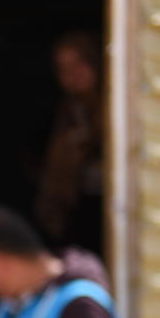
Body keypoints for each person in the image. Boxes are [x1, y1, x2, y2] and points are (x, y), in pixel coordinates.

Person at [35, 30, 104, 255]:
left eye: (78, 64)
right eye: (63, 69)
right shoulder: (67, 114)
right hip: (79, 207)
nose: (72, 75)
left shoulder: (116, 108)